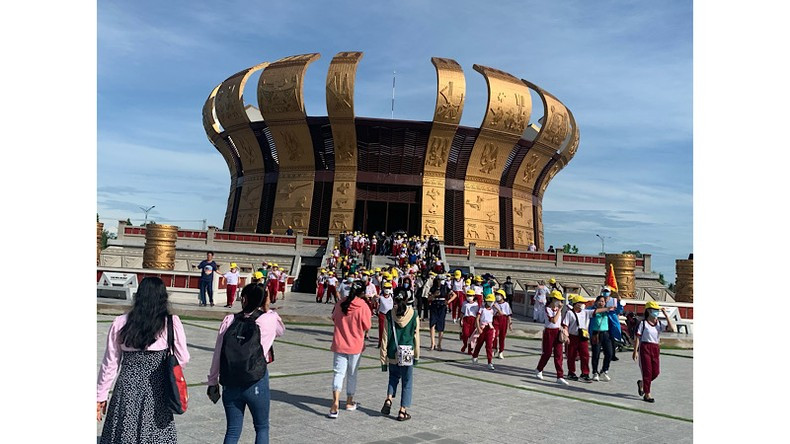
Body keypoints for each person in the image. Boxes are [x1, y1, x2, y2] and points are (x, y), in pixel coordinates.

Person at [97, 277, 190, 443]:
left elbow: (110, 363)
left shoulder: (120, 322)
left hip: (127, 388)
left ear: (138, 296)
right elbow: (183, 358)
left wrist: (100, 396)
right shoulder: (170, 322)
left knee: (124, 432)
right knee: (156, 435)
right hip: (158, 389)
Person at [207, 284, 285, 444]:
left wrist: (213, 381)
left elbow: (217, 353)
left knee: (233, 431)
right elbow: (281, 331)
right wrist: (268, 309)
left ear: (243, 299)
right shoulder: (269, 319)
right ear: (265, 300)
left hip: (230, 382)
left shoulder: (229, 320)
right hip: (256, 380)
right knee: (262, 427)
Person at [328, 281, 371, 418]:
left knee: (338, 373)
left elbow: (334, 318)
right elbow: (367, 325)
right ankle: (349, 401)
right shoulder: (363, 306)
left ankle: (335, 403)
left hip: (339, 343)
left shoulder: (341, 302)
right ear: (362, 292)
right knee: (352, 374)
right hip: (355, 345)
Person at [379, 288, 420, 421]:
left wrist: (383, 359)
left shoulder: (390, 314)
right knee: (407, 381)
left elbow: (385, 337)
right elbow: (416, 336)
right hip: (407, 351)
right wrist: (417, 356)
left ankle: (389, 399)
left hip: (392, 350)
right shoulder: (414, 314)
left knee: (393, 377)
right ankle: (402, 410)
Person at [633, 301, 675, 402]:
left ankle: (642, 383)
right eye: (654, 310)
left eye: (657, 310)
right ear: (648, 311)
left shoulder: (658, 324)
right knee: (647, 372)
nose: (656, 312)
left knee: (655, 372)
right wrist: (635, 351)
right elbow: (637, 338)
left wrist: (666, 315)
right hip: (645, 347)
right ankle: (647, 394)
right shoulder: (643, 323)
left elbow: (671, 329)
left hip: (655, 348)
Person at [535, 290, 569, 385]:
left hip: (557, 332)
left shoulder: (558, 309)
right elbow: (553, 320)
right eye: (558, 300)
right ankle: (539, 369)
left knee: (559, 355)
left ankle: (560, 376)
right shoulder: (547, 309)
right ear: (553, 299)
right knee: (547, 353)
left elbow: (559, 322)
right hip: (549, 332)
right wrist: (559, 310)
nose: (560, 302)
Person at [562, 294, 592, 382]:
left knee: (585, 355)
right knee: (571, 355)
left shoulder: (585, 312)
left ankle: (585, 373)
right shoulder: (569, 313)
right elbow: (565, 325)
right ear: (576, 304)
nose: (582, 304)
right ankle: (571, 373)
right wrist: (566, 335)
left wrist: (608, 308)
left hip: (583, 336)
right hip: (573, 336)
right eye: (581, 303)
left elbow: (596, 311)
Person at [589, 295, 617, 382]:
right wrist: (608, 308)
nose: (601, 303)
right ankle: (595, 372)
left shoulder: (608, 312)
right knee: (596, 354)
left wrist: (617, 299)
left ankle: (604, 370)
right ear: (596, 302)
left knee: (609, 353)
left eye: (603, 301)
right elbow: (594, 312)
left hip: (606, 333)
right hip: (596, 333)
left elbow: (618, 309)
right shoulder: (592, 309)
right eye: (600, 301)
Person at [428, 275, 456, 351]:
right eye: (440, 280)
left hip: (442, 306)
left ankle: (439, 344)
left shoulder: (446, 287)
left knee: (441, 325)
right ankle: (432, 343)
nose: (441, 281)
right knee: (432, 324)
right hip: (434, 305)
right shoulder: (433, 288)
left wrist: (448, 302)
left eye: (442, 280)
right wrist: (434, 295)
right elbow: (429, 298)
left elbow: (454, 295)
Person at [472, 293, 498, 370]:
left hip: (489, 328)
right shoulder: (482, 309)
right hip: (482, 327)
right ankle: (475, 355)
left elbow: (501, 314)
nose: (491, 303)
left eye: (492, 301)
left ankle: (490, 362)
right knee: (479, 343)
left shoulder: (493, 310)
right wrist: (478, 328)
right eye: (489, 301)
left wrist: (496, 307)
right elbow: (477, 318)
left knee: (489, 346)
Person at [492, 289, 512, 359]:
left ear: (503, 296)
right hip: (496, 319)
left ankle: (501, 351)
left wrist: (510, 323)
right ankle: (494, 349)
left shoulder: (506, 304)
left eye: (499, 295)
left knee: (502, 336)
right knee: (494, 334)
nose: (497, 296)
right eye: (497, 295)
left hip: (504, 319)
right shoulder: (494, 303)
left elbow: (508, 314)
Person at [459, 289, 479, 354]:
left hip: (473, 320)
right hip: (466, 319)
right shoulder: (464, 303)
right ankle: (465, 345)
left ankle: (470, 349)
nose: (469, 297)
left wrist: (477, 322)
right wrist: (460, 319)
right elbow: (462, 312)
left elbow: (477, 314)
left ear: (473, 296)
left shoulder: (476, 304)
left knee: (471, 335)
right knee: (465, 334)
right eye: (468, 295)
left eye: (470, 295)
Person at [377, 282, 395, 348]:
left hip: (390, 315)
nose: (387, 289)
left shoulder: (392, 296)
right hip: (382, 314)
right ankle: (381, 342)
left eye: (389, 288)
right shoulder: (380, 297)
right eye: (386, 288)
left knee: (390, 329)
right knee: (381, 329)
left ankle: (389, 342)